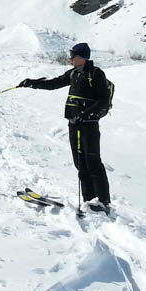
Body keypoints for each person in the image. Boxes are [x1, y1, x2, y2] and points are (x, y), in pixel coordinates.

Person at [18, 42, 114, 212]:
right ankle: (89, 201)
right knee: (80, 163)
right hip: (73, 124)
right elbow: (54, 83)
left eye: (73, 55)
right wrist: (32, 83)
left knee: (93, 161)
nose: (70, 58)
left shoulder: (95, 73)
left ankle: (103, 202)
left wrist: (85, 115)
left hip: (89, 125)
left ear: (82, 57)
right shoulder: (74, 73)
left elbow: (103, 100)